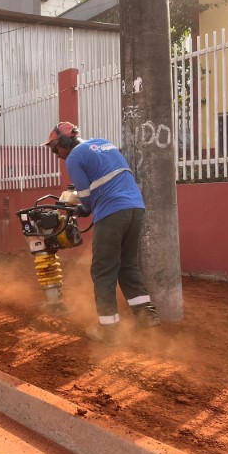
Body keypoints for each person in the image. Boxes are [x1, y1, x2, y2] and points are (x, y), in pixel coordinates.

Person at [42, 121, 160, 346]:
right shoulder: (104, 144)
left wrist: (80, 210)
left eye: (55, 148)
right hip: (135, 208)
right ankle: (147, 317)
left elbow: (85, 196)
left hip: (112, 211)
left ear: (64, 141)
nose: (56, 155)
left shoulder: (75, 156)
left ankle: (109, 330)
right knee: (127, 266)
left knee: (103, 271)